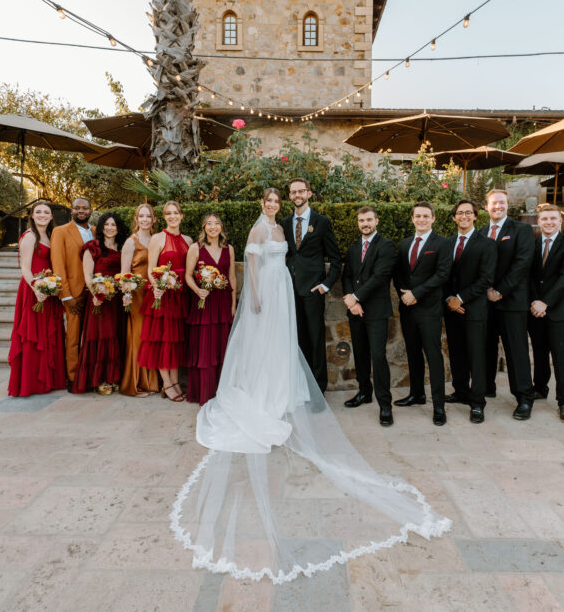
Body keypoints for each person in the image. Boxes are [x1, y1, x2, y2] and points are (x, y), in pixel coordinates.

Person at [172, 188, 451, 585]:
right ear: (266, 204)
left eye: (279, 200)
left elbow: (328, 258)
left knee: (295, 344)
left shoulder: (297, 226)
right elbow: (253, 266)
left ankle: (295, 389)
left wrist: (321, 284)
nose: (275, 205)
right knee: (268, 342)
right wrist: (255, 295)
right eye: (271, 201)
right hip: (269, 290)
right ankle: (264, 391)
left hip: (291, 289)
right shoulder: (262, 229)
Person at [478, 189, 537, 421]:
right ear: (486, 206)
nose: (498, 207)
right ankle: (486, 387)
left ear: (508, 204)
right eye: (493, 203)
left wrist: (500, 291)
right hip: (485, 302)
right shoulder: (481, 232)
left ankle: (524, 397)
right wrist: (485, 291)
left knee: (516, 351)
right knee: (485, 347)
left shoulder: (521, 230)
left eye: (502, 202)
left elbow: (522, 264)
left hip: (512, 301)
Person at [392, 202, 453, 426]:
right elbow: (398, 272)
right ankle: (416, 394)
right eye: (417, 216)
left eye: (426, 216)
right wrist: (404, 294)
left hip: (429, 309)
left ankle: (438, 406)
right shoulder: (405, 243)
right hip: (407, 308)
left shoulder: (442, 243)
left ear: (433, 218)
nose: (421, 220)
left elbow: (442, 274)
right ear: (412, 219)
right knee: (413, 353)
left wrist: (416, 294)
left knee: (433, 356)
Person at [281, 177, 342, 394]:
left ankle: (318, 389)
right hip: (291, 289)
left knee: (316, 339)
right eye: (293, 192)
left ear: (309, 193)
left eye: (301, 191)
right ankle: (302, 386)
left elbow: (336, 259)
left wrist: (325, 285)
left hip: (314, 290)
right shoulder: (285, 222)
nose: (297, 195)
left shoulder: (321, 221)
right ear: (290, 196)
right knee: (298, 340)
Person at [340, 206, 397, 426]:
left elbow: (380, 276)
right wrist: (350, 301)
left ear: (376, 221)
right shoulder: (354, 248)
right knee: (360, 353)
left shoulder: (386, 246)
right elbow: (347, 276)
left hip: (376, 311)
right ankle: (364, 392)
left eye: (369, 220)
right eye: (361, 220)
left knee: (378, 356)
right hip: (355, 311)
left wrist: (356, 297)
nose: (365, 224)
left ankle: (385, 405)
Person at [442, 199, 496, 423]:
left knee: (476, 356)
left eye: (468, 213)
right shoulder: (447, 243)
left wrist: (461, 298)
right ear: (454, 217)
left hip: (474, 309)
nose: (463, 216)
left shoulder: (487, 244)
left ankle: (477, 403)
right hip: (451, 308)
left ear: (475, 216)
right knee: (457, 353)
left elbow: (486, 278)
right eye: (459, 213)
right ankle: (460, 391)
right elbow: (442, 275)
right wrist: (449, 298)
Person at [527, 203, 564, 423]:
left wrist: (545, 302)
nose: (548, 222)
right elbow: (528, 276)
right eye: (544, 219)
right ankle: (540, 388)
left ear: (560, 221)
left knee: (561, 357)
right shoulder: (532, 244)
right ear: (538, 221)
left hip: (559, 309)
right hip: (535, 309)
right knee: (539, 353)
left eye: (552, 219)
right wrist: (534, 301)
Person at [8, 201, 67, 396]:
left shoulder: (50, 235)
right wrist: (36, 287)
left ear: (51, 216)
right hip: (33, 289)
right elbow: (25, 268)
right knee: (34, 335)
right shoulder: (29, 236)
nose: (42, 215)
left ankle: (50, 379)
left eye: (46, 212)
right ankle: (31, 383)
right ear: (32, 216)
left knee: (48, 332)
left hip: (49, 289)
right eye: (38, 212)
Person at [139, 200, 192, 401]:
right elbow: (150, 269)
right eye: (168, 213)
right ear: (164, 217)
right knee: (163, 340)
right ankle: (167, 383)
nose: (172, 216)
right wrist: (157, 287)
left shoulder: (188, 240)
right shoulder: (157, 238)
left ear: (181, 215)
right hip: (163, 295)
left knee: (176, 341)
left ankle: (175, 381)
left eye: (175, 213)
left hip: (181, 295)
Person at [73, 211, 130, 395]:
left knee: (116, 336)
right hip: (99, 300)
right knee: (101, 337)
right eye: (106, 224)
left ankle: (114, 377)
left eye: (113, 225)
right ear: (101, 227)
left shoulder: (123, 247)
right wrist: (96, 294)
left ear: (119, 228)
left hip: (117, 301)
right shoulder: (93, 247)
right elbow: (88, 276)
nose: (110, 228)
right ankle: (100, 379)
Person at [184, 212, 237, 405]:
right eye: (209, 224)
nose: (213, 227)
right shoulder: (195, 248)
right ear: (204, 227)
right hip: (203, 303)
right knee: (205, 347)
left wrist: (233, 304)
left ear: (221, 227)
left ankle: (221, 392)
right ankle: (204, 392)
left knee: (221, 347)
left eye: (216, 223)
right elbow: (188, 275)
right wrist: (198, 290)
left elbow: (232, 277)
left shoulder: (229, 249)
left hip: (222, 303)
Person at [51, 197, 95, 387]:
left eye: (85, 208)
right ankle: (73, 377)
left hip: (95, 292)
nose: (81, 211)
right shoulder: (60, 231)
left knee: (92, 336)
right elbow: (58, 264)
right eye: (77, 208)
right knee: (73, 337)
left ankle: (90, 374)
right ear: (71, 210)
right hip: (74, 292)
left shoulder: (96, 231)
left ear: (91, 211)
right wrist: (66, 295)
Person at [119, 203, 160, 397]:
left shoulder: (156, 239)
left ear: (154, 219)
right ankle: (134, 384)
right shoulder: (131, 242)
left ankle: (150, 382)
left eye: (148, 216)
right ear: (136, 219)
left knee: (151, 337)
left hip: (155, 294)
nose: (145, 220)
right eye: (141, 216)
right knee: (138, 337)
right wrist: (126, 295)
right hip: (137, 295)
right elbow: (124, 273)